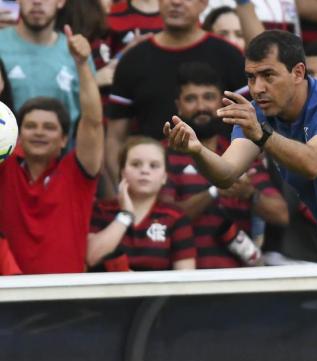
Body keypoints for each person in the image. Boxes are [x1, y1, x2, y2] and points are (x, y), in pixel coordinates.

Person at [164, 30, 317, 361]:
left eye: (268, 75)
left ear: (298, 72)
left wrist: (262, 135)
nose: (257, 88)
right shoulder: (260, 116)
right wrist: (196, 150)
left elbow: (316, 161)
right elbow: (226, 173)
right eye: (251, 77)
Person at [105, 0, 247, 195]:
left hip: (227, 185)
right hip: (153, 190)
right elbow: (115, 139)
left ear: (204, 3)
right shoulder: (134, 60)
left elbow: (252, 124)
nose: (176, 2)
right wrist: (122, 195)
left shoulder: (230, 55)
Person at [162, 62, 288, 268]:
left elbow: (281, 215)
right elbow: (162, 220)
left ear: (222, 105)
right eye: (191, 99)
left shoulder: (241, 151)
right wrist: (217, 188)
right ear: (178, 106)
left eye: (209, 97)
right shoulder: (164, 154)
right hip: (182, 278)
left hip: (238, 279)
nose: (201, 106)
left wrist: (250, 193)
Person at [0, 26, 104, 274]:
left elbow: (92, 121)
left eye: (49, 127)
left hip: (67, 300)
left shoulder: (77, 174)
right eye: (31, 126)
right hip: (8, 299)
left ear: (63, 139)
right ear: (18, 135)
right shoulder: (5, 168)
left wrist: (81, 64)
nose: (38, 132)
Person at [87, 136, 196, 271]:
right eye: (136, 164)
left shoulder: (175, 217)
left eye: (154, 165)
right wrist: (125, 215)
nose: (145, 171)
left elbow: (185, 278)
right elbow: (91, 257)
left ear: (164, 177)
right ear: (122, 172)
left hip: (158, 292)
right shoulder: (101, 210)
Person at [0, 0, 95, 141]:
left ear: (61, 2)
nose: (37, 2)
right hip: (6, 156)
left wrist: (82, 63)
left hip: (63, 158)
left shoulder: (76, 52)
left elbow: (92, 119)